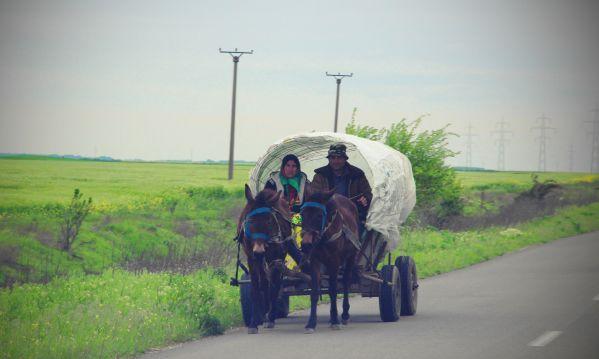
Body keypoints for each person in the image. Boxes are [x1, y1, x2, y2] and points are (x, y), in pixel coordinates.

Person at [311, 143, 373, 235]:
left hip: (352, 214)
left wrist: (365, 199)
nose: (336, 161)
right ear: (329, 159)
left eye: (339, 158)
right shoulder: (320, 176)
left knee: (362, 233)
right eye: (333, 158)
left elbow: (368, 193)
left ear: (345, 159)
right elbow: (314, 196)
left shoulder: (357, 174)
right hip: (327, 214)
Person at [264, 154, 308, 267]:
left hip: (298, 216)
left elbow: (308, 202)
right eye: (288, 165)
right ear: (283, 167)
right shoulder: (273, 182)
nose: (291, 169)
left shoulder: (303, 183)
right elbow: (266, 202)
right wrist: (284, 212)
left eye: (294, 166)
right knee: (281, 234)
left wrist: (297, 212)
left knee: (301, 231)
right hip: (278, 217)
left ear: (297, 168)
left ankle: (301, 260)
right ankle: (287, 262)